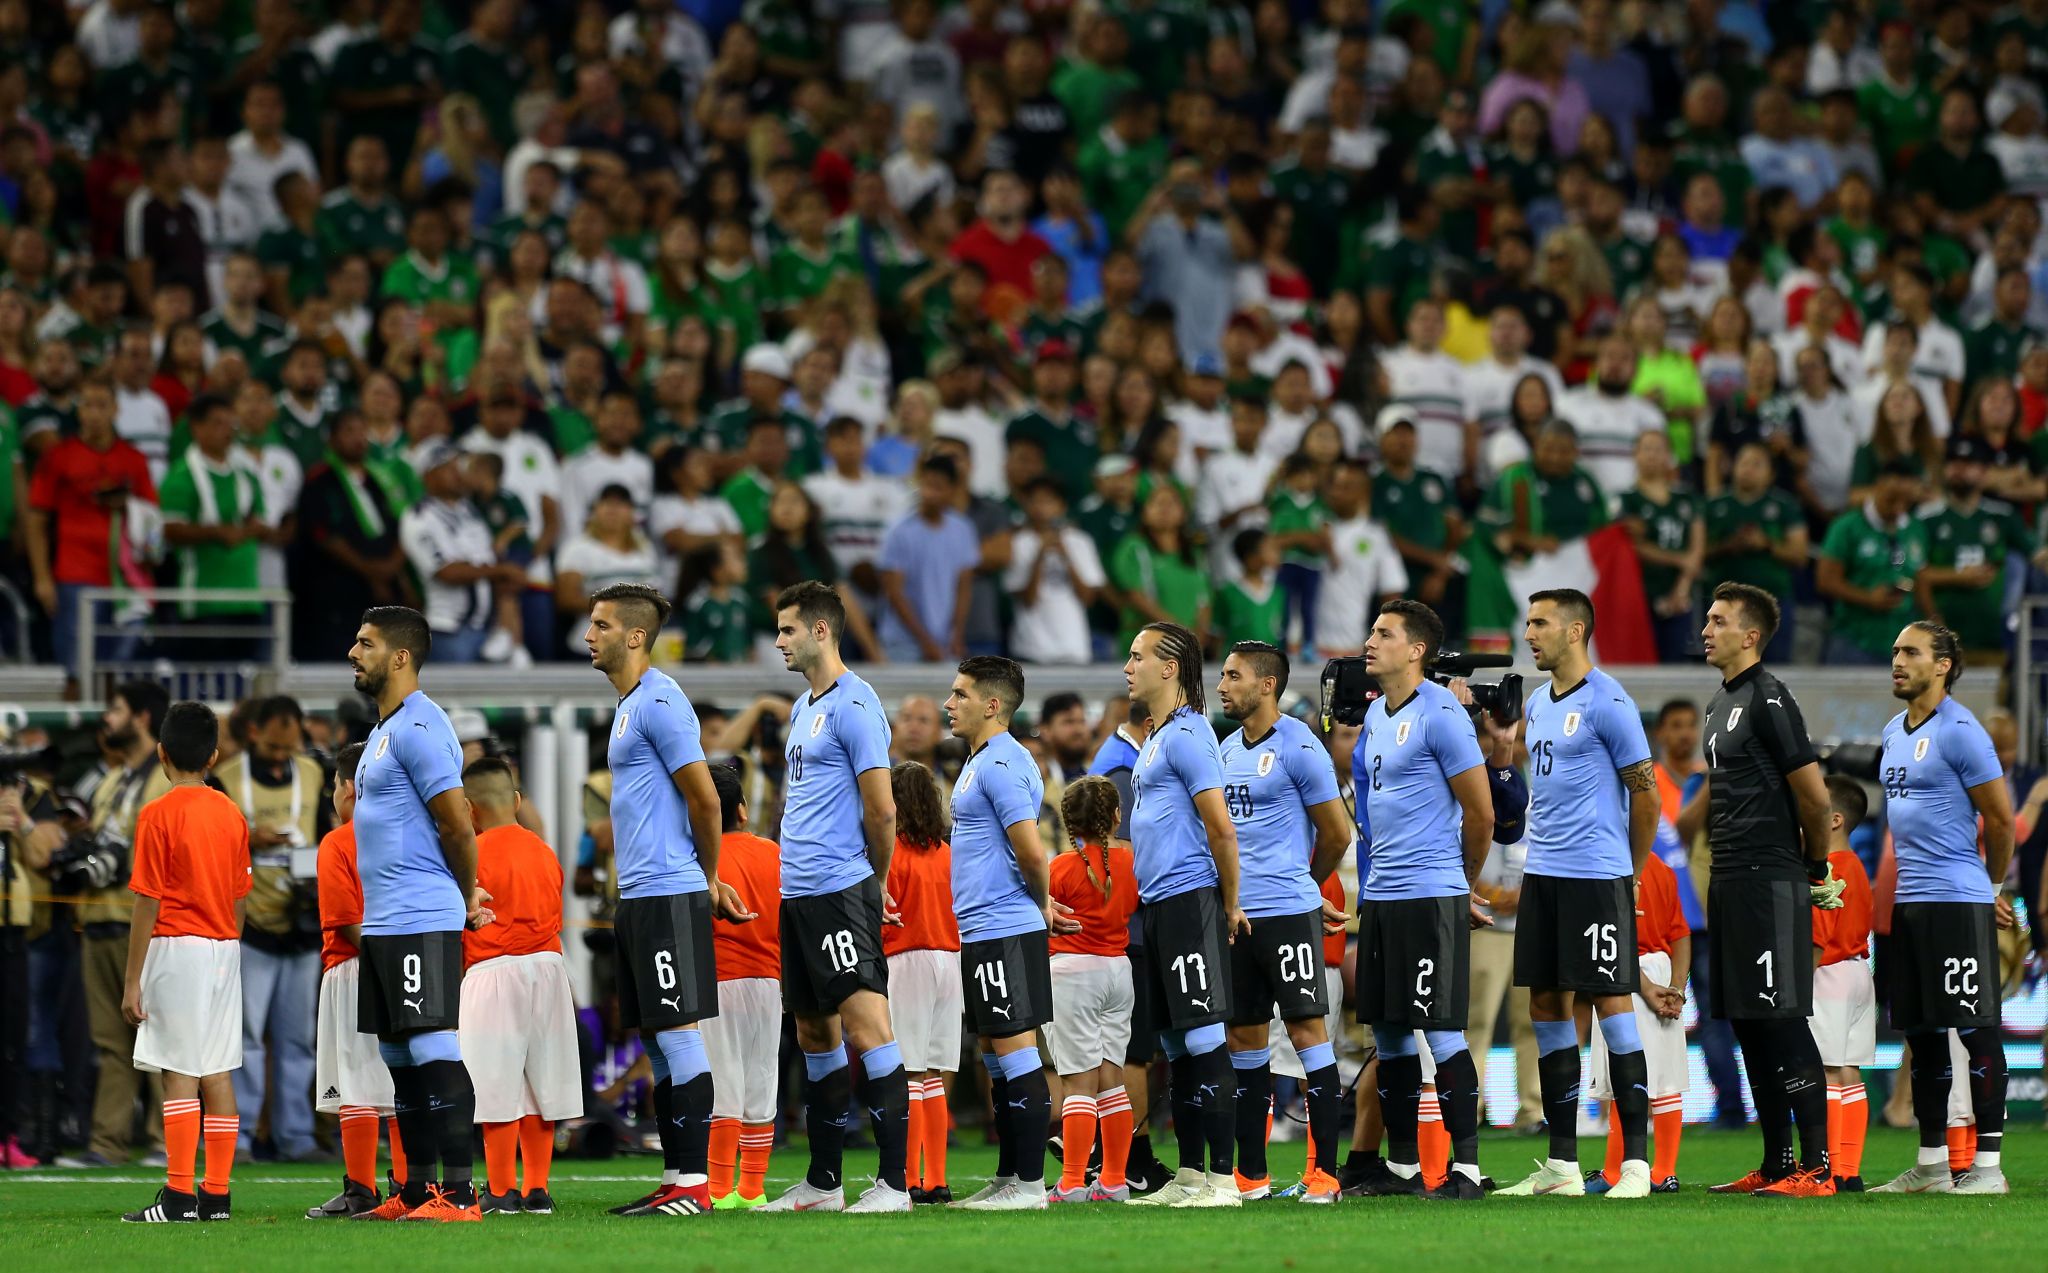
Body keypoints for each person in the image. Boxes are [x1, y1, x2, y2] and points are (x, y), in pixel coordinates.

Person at [586, 582, 745, 1217]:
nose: (588, 636)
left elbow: (705, 799)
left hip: (670, 891)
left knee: (678, 1034)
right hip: (641, 894)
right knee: (656, 1038)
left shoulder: (660, 699)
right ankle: (677, 1179)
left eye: (600, 625)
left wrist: (705, 878)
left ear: (634, 635)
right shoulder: (628, 705)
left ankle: (696, 1187)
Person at [1498, 589, 1660, 1199]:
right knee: (1546, 1004)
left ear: (1576, 631)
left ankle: (1636, 1166)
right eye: (1529, 621)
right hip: (1543, 874)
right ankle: (1562, 1164)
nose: (1530, 632)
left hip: (1597, 876)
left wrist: (1631, 871)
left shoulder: (1609, 700)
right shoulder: (1538, 703)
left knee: (1611, 1000)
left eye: (1540, 622)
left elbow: (1646, 797)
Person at [762, 580, 910, 1213]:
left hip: (838, 887)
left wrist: (872, 883)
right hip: (796, 891)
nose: (779, 641)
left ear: (820, 630)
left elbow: (881, 809)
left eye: (788, 629)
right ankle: (824, 1184)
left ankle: (895, 1185)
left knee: (867, 1025)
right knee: (813, 1034)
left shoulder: (857, 704)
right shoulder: (804, 707)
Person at [1694, 582, 1841, 1198]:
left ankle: (1820, 1167)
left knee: (1780, 1018)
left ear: (1750, 635)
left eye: (1719, 620)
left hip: (1770, 877)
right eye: (1707, 618)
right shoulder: (1718, 702)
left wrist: (1814, 868)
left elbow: (1814, 796)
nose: (1706, 628)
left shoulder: (1770, 698)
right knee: (1751, 1022)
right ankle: (1778, 1162)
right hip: (1728, 878)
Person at [343, 606, 488, 1222]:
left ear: (400, 657)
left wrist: (467, 890)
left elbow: (457, 820)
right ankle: (416, 1188)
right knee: (400, 1058)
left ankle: (459, 1194)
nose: (354, 652)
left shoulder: (421, 725)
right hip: (384, 920)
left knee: (433, 1046)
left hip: (418, 915)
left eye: (365, 643)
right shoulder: (384, 731)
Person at [1350, 599, 1495, 1201]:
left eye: (1384, 634)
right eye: (1371, 630)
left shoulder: (1442, 715)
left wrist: (1460, 883)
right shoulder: (1379, 715)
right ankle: (1404, 1168)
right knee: (1388, 1035)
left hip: (1430, 893)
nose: (1369, 641)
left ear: (1417, 651)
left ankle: (1464, 1169)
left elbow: (1481, 812)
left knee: (1442, 1033)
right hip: (1381, 896)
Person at [1869, 622, 2014, 1196]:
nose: (1897, 661)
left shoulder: (1962, 732)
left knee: (1976, 1030)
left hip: (1957, 899)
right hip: (1910, 904)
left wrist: (1993, 885)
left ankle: (1989, 1169)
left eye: (1911, 652)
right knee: (1923, 1036)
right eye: (1895, 651)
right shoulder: (1892, 731)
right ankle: (1931, 1167)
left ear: (1945, 664)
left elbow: (2000, 820)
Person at [1213, 642, 1350, 1203]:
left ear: (1267, 685)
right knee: (1245, 1044)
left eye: (1233, 675)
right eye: (1221, 675)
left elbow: (1336, 834)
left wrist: (1305, 888)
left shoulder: (1299, 745)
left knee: (1307, 1037)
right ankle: (1252, 1175)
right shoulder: (1223, 750)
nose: (1222, 685)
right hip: (1237, 919)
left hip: (1289, 916)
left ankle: (1323, 1174)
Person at [943, 656, 1077, 1209]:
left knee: (1018, 1052)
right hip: (981, 927)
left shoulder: (1002, 762)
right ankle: (1008, 1176)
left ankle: (1027, 1184)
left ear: (991, 705)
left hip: (1003, 925)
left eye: (960, 694)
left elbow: (1030, 848)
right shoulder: (980, 760)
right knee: (997, 1057)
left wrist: (1040, 903)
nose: (950, 704)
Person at [1121, 621, 1244, 1209]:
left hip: (1191, 899)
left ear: (1169, 668)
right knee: (1175, 1046)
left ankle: (1222, 1178)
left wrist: (1231, 900)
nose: (1127, 665)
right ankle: (1192, 1175)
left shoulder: (1191, 734)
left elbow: (1220, 826)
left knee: (1204, 1037)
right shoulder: (1157, 735)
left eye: (1137, 656)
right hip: (1159, 906)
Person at [119, 702, 248, 1224]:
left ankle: (177, 1197)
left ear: (161, 753)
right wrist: (226, 939)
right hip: (224, 947)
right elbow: (241, 894)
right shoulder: (232, 812)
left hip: (176, 946)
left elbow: (147, 900)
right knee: (216, 1070)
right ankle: (215, 1196)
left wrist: (133, 981)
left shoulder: (157, 814)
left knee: (178, 1071)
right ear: (214, 756)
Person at [458, 758, 578, 1215]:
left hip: (493, 969)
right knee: (541, 1082)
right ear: (516, 801)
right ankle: (538, 1190)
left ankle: (502, 1189)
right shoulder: (543, 851)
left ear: (468, 808)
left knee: (494, 1083)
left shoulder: (469, 851)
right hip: (548, 967)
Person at [216, 695, 325, 1164]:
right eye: (275, 747)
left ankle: (295, 1135)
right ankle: (237, 1139)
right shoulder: (226, 779)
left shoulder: (314, 774)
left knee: (298, 1040)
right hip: (251, 927)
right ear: (253, 732)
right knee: (244, 1039)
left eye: (290, 747)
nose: (283, 757)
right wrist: (247, 837)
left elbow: (329, 836)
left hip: (302, 926)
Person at [306, 742, 404, 1220]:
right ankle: (411, 1185)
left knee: (357, 1082)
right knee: (403, 1077)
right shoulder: (408, 833)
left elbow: (346, 921)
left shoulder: (340, 841)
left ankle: (361, 1191)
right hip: (409, 964)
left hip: (355, 968)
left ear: (348, 786)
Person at [1045, 774, 1140, 1203]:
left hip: (1073, 971)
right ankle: (1115, 1181)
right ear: (1117, 816)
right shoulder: (1133, 861)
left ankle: (1071, 1182)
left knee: (1078, 1084)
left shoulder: (1059, 868)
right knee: (1112, 1081)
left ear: (1068, 821)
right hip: (1119, 971)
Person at [1584, 832, 1690, 1194]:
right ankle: (1665, 1170)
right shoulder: (1662, 867)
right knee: (1665, 1079)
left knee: (1625, 1078)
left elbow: (1619, 932)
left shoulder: (1611, 867)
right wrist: (1677, 985)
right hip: (1662, 969)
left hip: (1625, 971)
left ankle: (1616, 1172)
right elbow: (1681, 934)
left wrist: (1643, 985)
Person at [881, 760, 961, 1205]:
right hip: (949, 960)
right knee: (934, 1073)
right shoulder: (949, 853)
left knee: (910, 1073)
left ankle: (909, 1178)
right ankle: (937, 1180)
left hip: (907, 958)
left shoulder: (889, 850)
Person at [701, 762, 781, 1209]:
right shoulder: (774, 853)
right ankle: (752, 1189)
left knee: (722, 1084)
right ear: (743, 810)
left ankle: (716, 1188)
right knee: (760, 1081)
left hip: (719, 980)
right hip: (768, 981)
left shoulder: (697, 858)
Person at [1809, 775, 1876, 1194]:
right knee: (1849, 1071)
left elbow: (1820, 929)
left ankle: (1827, 1171)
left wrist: (1798, 979)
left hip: (1828, 972)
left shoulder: (1828, 867)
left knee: (1828, 1072)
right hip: (1858, 972)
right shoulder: (1859, 866)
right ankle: (1848, 1169)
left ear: (1834, 820)